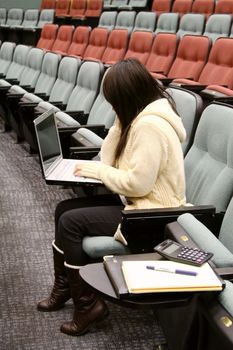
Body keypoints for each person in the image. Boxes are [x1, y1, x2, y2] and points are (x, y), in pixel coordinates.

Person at [37, 58, 187, 336]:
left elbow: (137, 184)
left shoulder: (150, 126)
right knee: (63, 210)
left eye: (115, 101)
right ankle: (64, 288)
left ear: (128, 97)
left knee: (71, 222)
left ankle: (87, 306)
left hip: (150, 214)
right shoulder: (138, 118)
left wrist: (98, 170)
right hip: (135, 203)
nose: (112, 106)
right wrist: (120, 122)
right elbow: (109, 157)